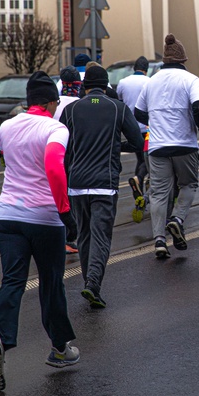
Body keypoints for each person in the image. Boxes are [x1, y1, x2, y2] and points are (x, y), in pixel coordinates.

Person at [0, 73, 80, 391]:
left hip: (6, 215)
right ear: (52, 102)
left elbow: (6, 160)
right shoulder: (55, 128)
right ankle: (60, 348)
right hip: (44, 218)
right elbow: (53, 166)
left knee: (12, 281)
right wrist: (65, 212)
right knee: (51, 283)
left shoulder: (7, 126)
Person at [61, 66, 143, 308]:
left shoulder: (70, 109)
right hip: (104, 184)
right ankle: (93, 284)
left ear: (85, 86)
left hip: (76, 184)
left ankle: (89, 282)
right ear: (106, 86)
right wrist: (116, 146)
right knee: (101, 236)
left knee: (84, 235)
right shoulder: (118, 108)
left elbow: (63, 147)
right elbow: (137, 142)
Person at [134, 34, 199, 259]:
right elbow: (198, 106)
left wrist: (155, 122)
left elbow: (138, 112)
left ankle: (159, 240)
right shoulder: (191, 80)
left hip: (157, 146)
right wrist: (198, 124)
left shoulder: (151, 81)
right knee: (189, 184)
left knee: (158, 193)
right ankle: (177, 219)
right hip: (184, 144)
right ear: (183, 60)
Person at [116, 56, 152, 221]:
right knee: (148, 159)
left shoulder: (123, 82)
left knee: (140, 158)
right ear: (146, 69)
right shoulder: (149, 82)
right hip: (147, 127)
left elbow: (120, 102)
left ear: (134, 68)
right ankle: (140, 179)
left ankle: (140, 197)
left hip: (130, 128)